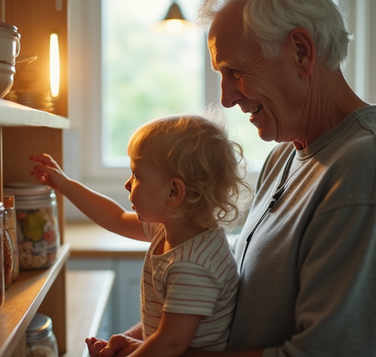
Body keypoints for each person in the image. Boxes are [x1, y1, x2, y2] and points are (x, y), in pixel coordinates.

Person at [86, 0, 376, 357]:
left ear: (301, 52)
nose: (226, 97)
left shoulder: (370, 169)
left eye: (235, 71)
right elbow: (233, 305)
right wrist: (144, 343)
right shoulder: (284, 156)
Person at [29, 113, 249, 357]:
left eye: (136, 175)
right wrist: (66, 186)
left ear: (174, 192)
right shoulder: (172, 228)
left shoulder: (193, 265)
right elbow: (115, 218)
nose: (127, 184)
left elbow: (169, 344)